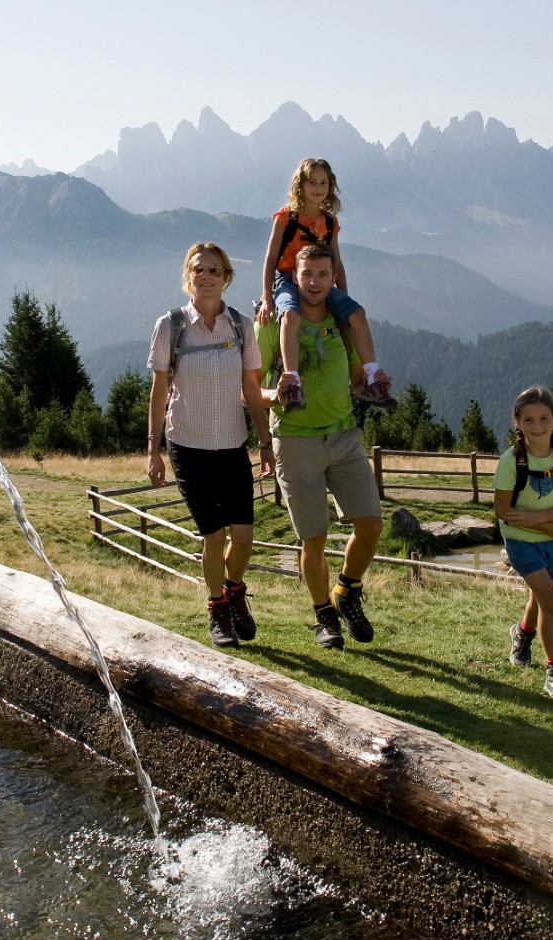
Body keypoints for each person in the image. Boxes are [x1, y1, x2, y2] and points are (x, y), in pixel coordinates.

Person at [257, 244, 392, 650]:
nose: (314, 282)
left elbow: (353, 377)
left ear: (334, 278)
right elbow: (249, 387)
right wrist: (274, 395)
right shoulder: (274, 323)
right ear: (294, 278)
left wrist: (370, 379)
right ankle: (323, 616)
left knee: (370, 524)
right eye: (307, 275)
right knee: (313, 537)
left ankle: (346, 591)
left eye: (322, 274)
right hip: (296, 439)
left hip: (344, 433)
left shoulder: (342, 322)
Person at [147, 242, 274, 648]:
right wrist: (154, 450)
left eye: (214, 270)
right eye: (198, 269)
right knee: (214, 536)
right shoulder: (170, 326)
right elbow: (158, 390)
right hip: (188, 445)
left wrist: (265, 442)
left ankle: (235, 589)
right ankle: (218, 607)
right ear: (188, 276)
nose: (206, 276)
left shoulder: (239, 326)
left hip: (233, 445)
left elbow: (252, 388)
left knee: (245, 535)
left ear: (226, 277)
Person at [256, 158, 391, 412]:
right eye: (312, 182)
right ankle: (292, 379)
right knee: (290, 316)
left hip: (322, 279)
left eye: (323, 183)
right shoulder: (286, 217)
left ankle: (372, 376)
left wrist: (344, 300)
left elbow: (336, 263)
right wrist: (267, 297)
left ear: (330, 187)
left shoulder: (330, 223)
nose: (318, 188)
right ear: (301, 185)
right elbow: (271, 259)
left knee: (358, 314)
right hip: (287, 277)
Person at [492, 386, 553, 699]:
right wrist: (542, 523)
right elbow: (503, 511)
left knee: (540, 594)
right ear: (517, 422)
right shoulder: (511, 460)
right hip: (519, 540)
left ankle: (522, 633)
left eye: (544, 418)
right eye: (529, 419)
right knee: (549, 599)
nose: (537, 426)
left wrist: (538, 522)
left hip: (551, 541)